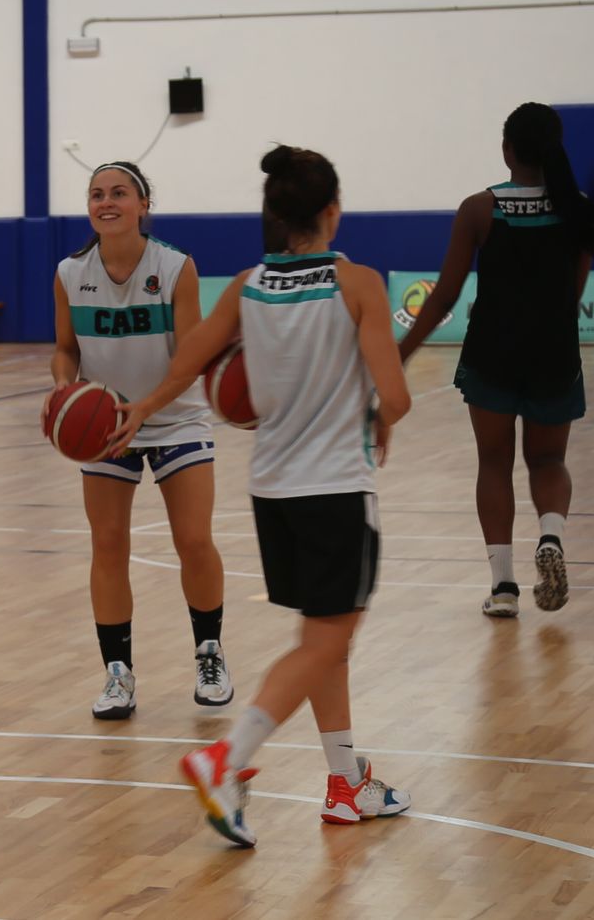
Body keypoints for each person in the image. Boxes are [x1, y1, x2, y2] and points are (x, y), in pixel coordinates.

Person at [109, 145, 412, 847]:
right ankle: (227, 758)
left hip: (271, 491)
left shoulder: (245, 285)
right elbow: (394, 396)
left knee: (322, 639)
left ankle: (346, 784)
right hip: (336, 488)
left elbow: (188, 359)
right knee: (327, 641)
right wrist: (375, 416)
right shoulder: (360, 283)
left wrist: (143, 404)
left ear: (274, 217)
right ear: (332, 212)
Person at [397, 101, 594, 617]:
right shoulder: (578, 209)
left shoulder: (479, 208)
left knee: (493, 463)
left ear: (507, 150)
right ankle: (551, 537)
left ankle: (503, 588)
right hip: (554, 352)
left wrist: (401, 353)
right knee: (548, 461)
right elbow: (574, 291)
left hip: (493, 351)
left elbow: (446, 294)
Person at [49, 161, 232, 720]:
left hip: (173, 417)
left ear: (143, 204)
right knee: (108, 545)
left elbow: (192, 357)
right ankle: (118, 674)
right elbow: (65, 350)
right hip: (107, 428)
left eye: (119, 193)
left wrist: (145, 410)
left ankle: (210, 653)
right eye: (97, 194)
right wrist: (64, 393)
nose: (107, 202)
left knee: (194, 541)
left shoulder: (176, 267)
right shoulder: (68, 271)